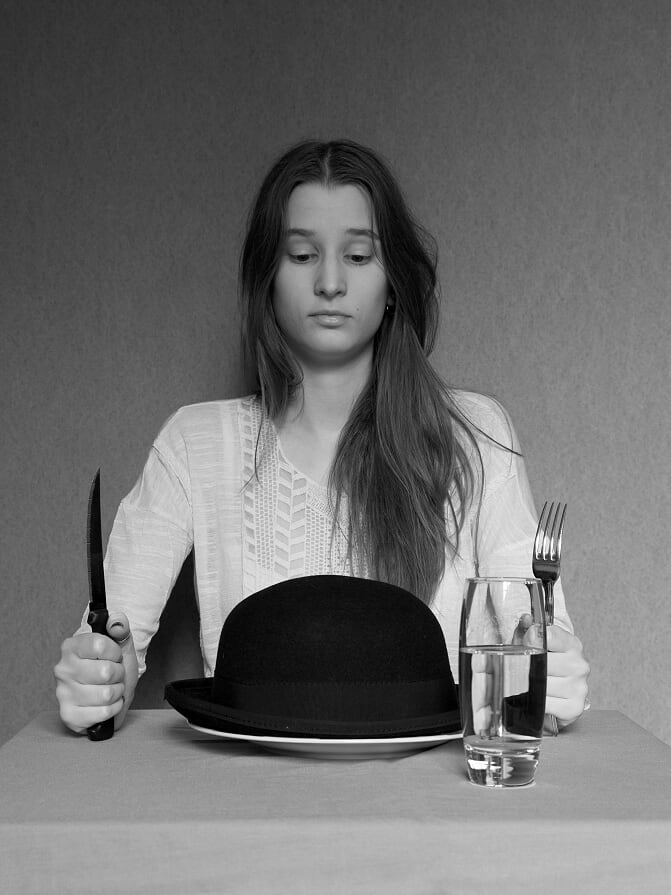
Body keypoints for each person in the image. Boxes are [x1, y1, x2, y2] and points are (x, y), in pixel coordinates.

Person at [54, 139, 590, 735]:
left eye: (358, 256)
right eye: (303, 255)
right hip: (246, 797)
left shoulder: (477, 436)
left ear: (393, 285)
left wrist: (551, 680)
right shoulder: (195, 443)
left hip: (439, 803)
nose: (330, 282)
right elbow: (112, 636)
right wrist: (102, 673)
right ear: (268, 278)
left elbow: (530, 643)